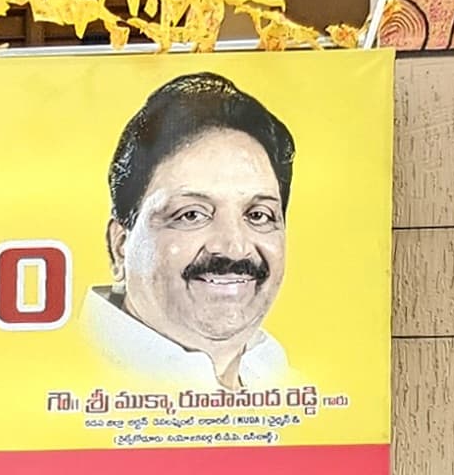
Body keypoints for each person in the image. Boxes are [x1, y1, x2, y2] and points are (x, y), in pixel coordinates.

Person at [83, 68, 298, 393]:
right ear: (120, 245)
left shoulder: (300, 390)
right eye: (191, 215)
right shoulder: (63, 384)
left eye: (258, 215)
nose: (234, 248)